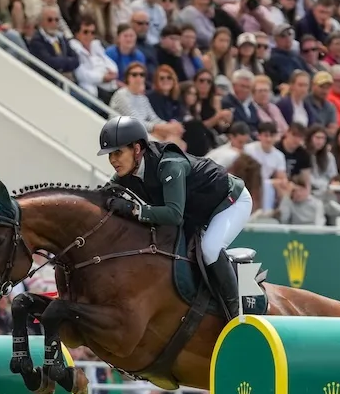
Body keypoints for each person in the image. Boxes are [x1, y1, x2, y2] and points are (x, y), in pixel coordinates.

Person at [97, 115, 250, 318]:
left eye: (117, 152)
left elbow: (174, 214)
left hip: (229, 202)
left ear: (136, 149)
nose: (113, 160)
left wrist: (133, 209)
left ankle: (236, 316)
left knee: (210, 249)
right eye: (110, 155)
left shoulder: (169, 164)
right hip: (197, 212)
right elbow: (102, 197)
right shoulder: (126, 173)